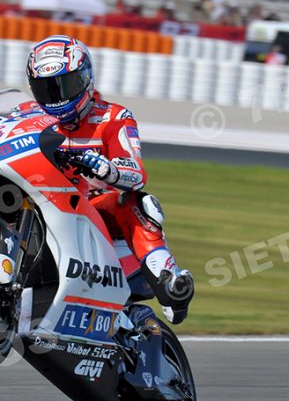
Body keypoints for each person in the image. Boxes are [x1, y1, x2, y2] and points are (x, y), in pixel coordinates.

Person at [23, 35, 195, 324]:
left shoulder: (113, 117)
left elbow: (136, 173)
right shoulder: (27, 116)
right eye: (46, 89)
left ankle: (168, 283)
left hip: (92, 212)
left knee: (139, 203)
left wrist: (107, 169)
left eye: (65, 85)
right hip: (39, 202)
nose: (56, 96)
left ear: (86, 78)